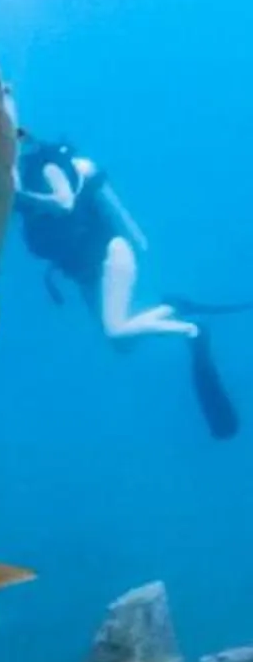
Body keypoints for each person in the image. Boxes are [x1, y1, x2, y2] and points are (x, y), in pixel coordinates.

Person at [16, 139, 240, 439]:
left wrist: (20, 196)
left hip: (110, 256)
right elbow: (111, 208)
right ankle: (172, 308)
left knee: (116, 331)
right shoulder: (18, 178)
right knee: (121, 344)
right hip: (86, 272)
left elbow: (65, 203)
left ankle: (190, 330)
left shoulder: (45, 169)